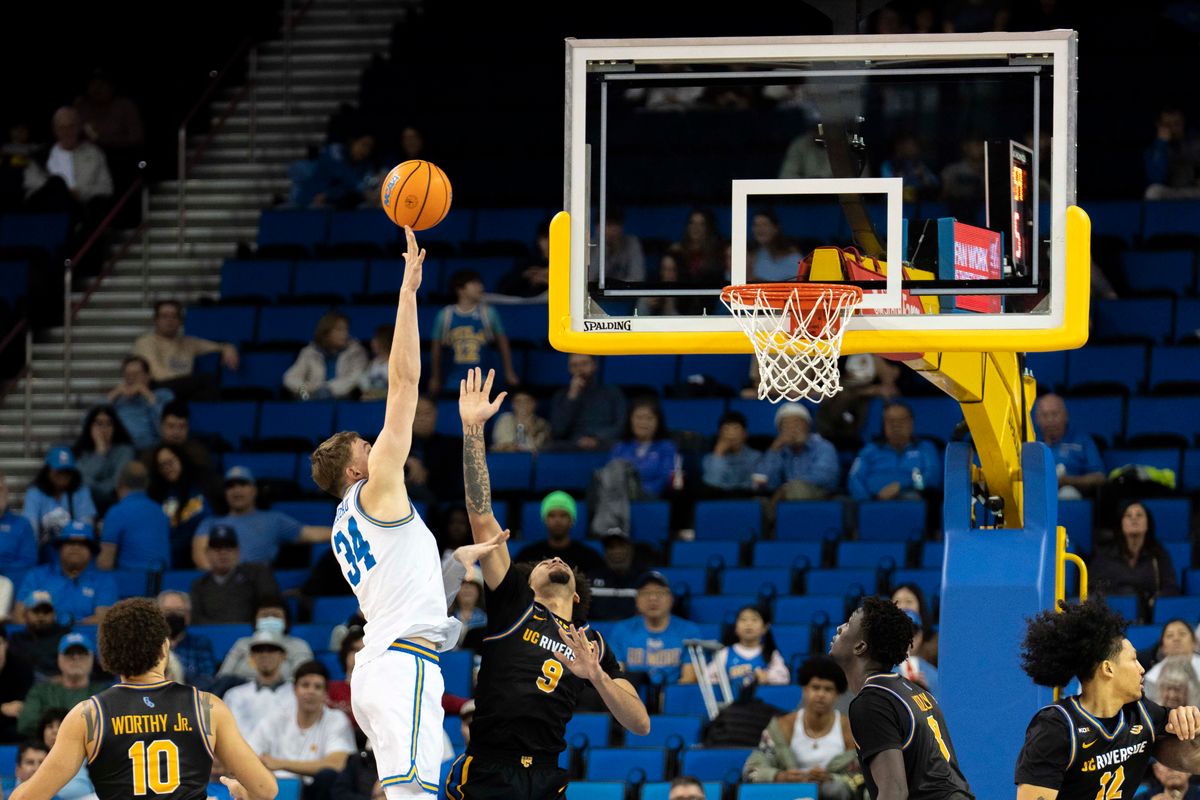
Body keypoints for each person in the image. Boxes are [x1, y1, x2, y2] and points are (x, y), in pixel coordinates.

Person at [306, 227, 484, 797]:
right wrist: (409, 290)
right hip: (401, 665)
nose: (377, 446)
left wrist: (458, 560)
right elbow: (405, 383)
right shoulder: (374, 491)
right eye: (366, 445)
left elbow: (410, 587)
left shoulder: (346, 525)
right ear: (356, 470)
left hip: (384, 666)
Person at [445, 367, 650, 798]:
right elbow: (481, 515)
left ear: (576, 594)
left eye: (561, 562)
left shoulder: (592, 642)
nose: (554, 559)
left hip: (545, 776)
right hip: (489, 766)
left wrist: (597, 676)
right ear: (529, 580)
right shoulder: (513, 600)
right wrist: (472, 430)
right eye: (540, 562)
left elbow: (640, 723)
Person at [9, 597, 277, 800]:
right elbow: (266, 789)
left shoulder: (88, 715)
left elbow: (27, 797)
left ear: (106, 658)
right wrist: (243, 793)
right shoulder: (207, 706)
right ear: (164, 647)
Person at [1015, 598, 1200, 799]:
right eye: (1133, 659)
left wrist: (1192, 725)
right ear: (1108, 668)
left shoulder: (1141, 713)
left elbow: (1191, 760)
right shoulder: (1056, 727)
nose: (1142, 669)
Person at [829, 596, 974, 799]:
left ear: (860, 647)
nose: (839, 628)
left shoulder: (872, 702)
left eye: (849, 623)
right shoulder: (917, 692)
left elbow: (894, 792)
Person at [743, 656, 857, 798]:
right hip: (790, 794)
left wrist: (832, 779)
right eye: (815, 687)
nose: (821, 694)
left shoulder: (851, 730)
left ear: (837, 695)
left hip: (833, 796)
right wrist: (780, 776)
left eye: (828, 689)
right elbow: (751, 770)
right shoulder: (780, 727)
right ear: (804, 690)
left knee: (834, 789)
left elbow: (863, 777)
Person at [247, 661, 356, 799]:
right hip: (275, 788)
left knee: (328, 776)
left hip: (316, 792)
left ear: (325, 694)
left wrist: (280, 763)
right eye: (305, 685)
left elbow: (337, 764)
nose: (310, 691)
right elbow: (249, 755)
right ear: (294, 689)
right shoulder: (275, 718)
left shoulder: (336, 720)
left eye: (317, 687)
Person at [192, 467, 329, 568]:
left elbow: (310, 533)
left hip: (259, 584)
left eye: (243, 484)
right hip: (222, 585)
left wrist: (347, 530)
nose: (237, 490)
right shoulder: (210, 523)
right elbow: (200, 556)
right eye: (231, 486)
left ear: (254, 490)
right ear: (225, 493)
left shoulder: (274, 519)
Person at [428, 269, 519, 396]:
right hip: (454, 379)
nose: (481, 287)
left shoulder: (488, 313)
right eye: (475, 284)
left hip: (484, 378)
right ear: (460, 289)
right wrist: (435, 377)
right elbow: (436, 349)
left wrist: (509, 371)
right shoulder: (445, 315)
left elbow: (503, 344)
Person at [131, 299, 239, 401]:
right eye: (164, 316)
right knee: (206, 380)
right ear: (156, 320)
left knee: (206, 391)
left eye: (174, 316)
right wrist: (188, 382)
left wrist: (228, 347)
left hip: (182, 389)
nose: (169, 320)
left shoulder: (189, 342)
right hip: (158, 387)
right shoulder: (145, 342)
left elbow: (217, 346)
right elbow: (157, 374)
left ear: (180, 321)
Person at [607, 571, 701, 686]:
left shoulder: (689, 631)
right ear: (637, 600)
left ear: (671, 599)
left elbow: (689, 679)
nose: (653, 598)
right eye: (646, 593)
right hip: (632, 695)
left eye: (659, 592)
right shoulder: (621, 630)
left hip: (673, 698)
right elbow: (616, 676)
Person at [15, 523, 117, 627]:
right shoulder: (36, 576)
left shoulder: (104, 580)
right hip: (42, 638)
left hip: (87, 639)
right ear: (59, 548)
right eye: (70, 543)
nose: (76, 548)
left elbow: (103, 619)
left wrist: (66, 628)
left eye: (83, 544)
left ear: (91, 551)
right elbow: (19, 616)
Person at [16, 632, 109, 738]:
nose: (76, 658)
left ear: (92, 658)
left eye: (82, 654)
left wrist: (53, 726)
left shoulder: (104, 693)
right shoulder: (41, 692)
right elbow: (26, 724)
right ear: (59, 659)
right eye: (69, 654)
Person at [1089, 501, 1180, 605]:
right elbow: (1091, 588)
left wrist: (1156, 600)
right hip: (1112, 612)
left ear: (1148, 524)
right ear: (1121, 523)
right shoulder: (1104, 555)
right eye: (1128, 515)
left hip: (1146, 615)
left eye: (1139, 515)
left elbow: (1171, 588)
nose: (1134, 518)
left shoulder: (1158, 555)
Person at [847, 402, 942, 502]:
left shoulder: (925, 448)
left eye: (901, 420)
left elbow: (932, 478)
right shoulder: (869, 450)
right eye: (891, 421)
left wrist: (902, 485)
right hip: (871, 500)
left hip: (911, 497)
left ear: (911, 423)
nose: (896, 425)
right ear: (883, 425)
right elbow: (854, 478)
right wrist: (867, 502)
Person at [23, 107, 113, 212]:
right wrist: (61, 192)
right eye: (61, 127)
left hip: (80, 208)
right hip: (46, 209)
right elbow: (30, 185)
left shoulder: (94, 153)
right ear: (55, 130)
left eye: (71, 126)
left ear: (79, 127)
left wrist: (80, 193)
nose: (66, 132)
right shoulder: (41, 154)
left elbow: (106, 188)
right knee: (57, 183)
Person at [191, 525, 282, 625]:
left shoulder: (256, 575)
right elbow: (196, 619)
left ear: (238, 552)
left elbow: (271, 606)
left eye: (229, 548)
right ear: (207, 553)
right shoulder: (199, 585)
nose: (223, 553)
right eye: (217, 549)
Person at [752, 403, 839, 500]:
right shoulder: (780, 449)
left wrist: (787, 488)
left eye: (797, 423)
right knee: (758, 499)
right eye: (786, 425)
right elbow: (761, 480)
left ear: (808, 426)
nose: (792, 428)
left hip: (818, 495)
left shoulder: (823, 446)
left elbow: (825, 476)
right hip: (781, 497)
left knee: (798, 490)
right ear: (779, 430)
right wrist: (774, 450)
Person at [147, 443, 212, 567]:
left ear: (180, 459)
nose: (167, 468)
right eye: (162, 466)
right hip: (167, 562)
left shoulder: (201, 486)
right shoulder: (157, 495)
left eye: (170, 462)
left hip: (197, 559)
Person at [97, 462, 171, 571]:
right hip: (163, 581)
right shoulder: (161, 511)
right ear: (147, 484)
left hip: (130, 582)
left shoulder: (117, 512)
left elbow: (105, 563)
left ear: (119, 484)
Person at [218, 600, 315, 682]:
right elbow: (223, 677)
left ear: (286, 621)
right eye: (264, 615)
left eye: (276, 615)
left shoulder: (299, 645)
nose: (270, 618)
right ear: (255, 621)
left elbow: (304, 679)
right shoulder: (242, 643)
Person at [22, 447, 97, 553]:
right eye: (59, 470)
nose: (63, 475)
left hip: (72, 551)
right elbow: (30, 529)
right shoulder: (35, 493)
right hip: (43, 552)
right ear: (48, 470)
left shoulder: (81, 492)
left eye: (67, 471)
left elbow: (86, 529)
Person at [284, 311, 369, 401]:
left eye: (346, 329)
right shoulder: (309, 352)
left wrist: (327, 389)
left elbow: (355, 378)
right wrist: (305, 391)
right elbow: (290, 379)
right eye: (339, 330)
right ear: (326, 332)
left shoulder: (356, 351)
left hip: (344, 402)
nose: (345, 334)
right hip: (311, 400)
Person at [222, 629, 297, 732]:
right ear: (251, 656)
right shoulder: (234, 695)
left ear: (283, 655)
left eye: (271, 650)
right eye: (259, 650)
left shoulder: (296, 694)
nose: (265, 655)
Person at [513, 491, 605, 574]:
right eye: (552, 515)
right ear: (545, 520)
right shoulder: (528, 556)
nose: (557, 520)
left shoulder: (589, 558)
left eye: (563, 515)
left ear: (572, 520)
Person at [1034, 394, 1105, 499]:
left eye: (1054, 414)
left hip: (1070, 492)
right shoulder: (1031, 443)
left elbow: (1100, 477)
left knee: (1067, 493)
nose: (1050, 420)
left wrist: (1068, 481)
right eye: (1045, 415)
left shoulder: (1082, 441)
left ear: (1065, 415)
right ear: (1037, 419)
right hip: (1037, 494)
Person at [549, 354, 627, 450]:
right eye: (574, 366)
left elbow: (620, 426)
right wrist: (571, 398)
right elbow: (558, 430)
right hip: (573, 446)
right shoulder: (561, 396)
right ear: (569, 369)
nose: (579, 369)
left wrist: (595, 438)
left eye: (584, 364)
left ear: (594, 365)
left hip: (604, 444)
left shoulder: (612, 393)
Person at [608, 400, 679, 499]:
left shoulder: (667, 447)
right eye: (639, 418)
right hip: (621, 499)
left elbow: (665, 477)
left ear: (658, 422)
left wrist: (641, 492)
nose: (643, 423)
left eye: (649, 418)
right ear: (630, 420)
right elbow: (612, 476)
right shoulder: (620, 447)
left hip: (653, 498)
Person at [707, 606, 789, 690]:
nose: (748, 624)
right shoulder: (725, 653)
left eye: (754, 620)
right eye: (743, 620)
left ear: (765, 628)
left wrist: (767, 677)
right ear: (736, 628)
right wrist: (723, 680)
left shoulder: (771, 653)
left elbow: (784, 678)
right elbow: (707, 678)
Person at [72, 406, 135, 514]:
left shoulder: (125, 451)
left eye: (108, 424)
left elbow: (116, 484)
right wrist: (100, 453)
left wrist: (90, 485)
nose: (104, 429)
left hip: (114, 502)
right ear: (90, 427)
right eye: (99, 424)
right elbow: (78, 480)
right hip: (84, 503)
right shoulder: (81, 451)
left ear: (115, 427)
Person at [108, 355, 174, 450]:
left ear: (148, 376)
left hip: (151, 449)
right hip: (120, 450)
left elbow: (166, 429)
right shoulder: (116, 400)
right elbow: (90, 423)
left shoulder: (162, 395)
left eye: (136, 374)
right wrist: (114, 394)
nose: (131, 379)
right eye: (127, 375)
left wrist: (147, 396)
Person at [8, 591, 71, 677]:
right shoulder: (16, 639)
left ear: (54, 614)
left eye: (46, 611)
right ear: (24, 614)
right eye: (36, 611)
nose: (41, 616)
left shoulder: (65, 637)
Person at [1144, 107, 1200, 200]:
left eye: (1177, 124)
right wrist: (1161, 144)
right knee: (1153, 191)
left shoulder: (1196, 141)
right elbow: (1156, 178)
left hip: (1194, 190)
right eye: (1167, 125)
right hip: (1171, 192)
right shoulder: (1154, 149)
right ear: (1159, 125)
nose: (1173, 128)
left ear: (1184, 123)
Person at [702, 411, 762, 492]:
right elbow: (712, 485)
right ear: (719, 434)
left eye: (736, 428)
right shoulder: (709, 460)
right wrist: (718, 454)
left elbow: (755, 487)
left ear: (745, 433)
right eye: (726, 429)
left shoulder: (756, 458)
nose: (731, 434)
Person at [0, 624, 34, 742]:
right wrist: (2, 709)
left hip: (13, 726)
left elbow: (20, 707)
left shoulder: (21, 667)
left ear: (6, 644)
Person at [0, 472, 38, 577]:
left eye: (0, 489)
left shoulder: (22, 525)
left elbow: (28, 565)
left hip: (9, 588)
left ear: (7, 493)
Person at [749, 211, 801, 283]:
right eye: (756, 225)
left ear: (776, 228)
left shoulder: (792, 256)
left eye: (764, 224)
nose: (759, 229)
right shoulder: (751, 255)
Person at [358, 325, 393, 401]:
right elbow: (363, 381)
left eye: (376, 339)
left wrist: (381, 395)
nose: (372, 342)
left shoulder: (395, 363)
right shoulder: (372, 363)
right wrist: (368, 392)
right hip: (371, 399)